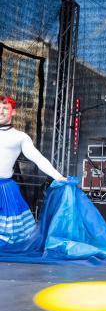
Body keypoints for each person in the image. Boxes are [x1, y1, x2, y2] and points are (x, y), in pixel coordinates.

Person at [0, 95, 66, 245]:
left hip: (4, 190)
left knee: (11, 240)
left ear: (13, 112)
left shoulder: (19, 137)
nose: (1, 111)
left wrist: (58, 176)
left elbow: (39, 159)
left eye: (5, 108)